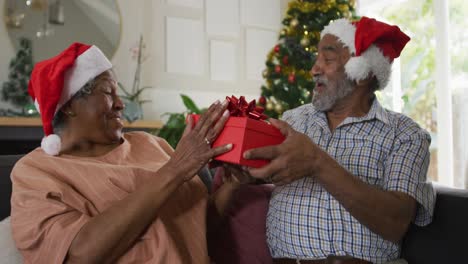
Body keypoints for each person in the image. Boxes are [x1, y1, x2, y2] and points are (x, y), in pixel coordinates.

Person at [10, 43, 246, 263]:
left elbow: (200, 229)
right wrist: (174, 170)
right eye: (107, 92)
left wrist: (231, 185)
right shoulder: (34, 171)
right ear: (70, 104)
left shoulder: (151, 144)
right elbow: (79, 254)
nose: (120, 104)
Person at [242, 17, 436, 263]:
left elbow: (395, 223)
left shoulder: (405, 135)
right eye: (317, 59)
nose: (314, 69)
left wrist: (317, 162)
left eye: (328, 60)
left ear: (362, 73)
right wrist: (243, 172)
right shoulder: (292, 120)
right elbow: (259, 171)